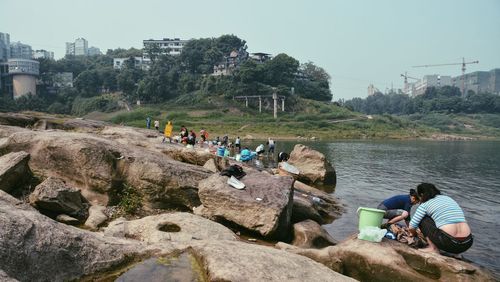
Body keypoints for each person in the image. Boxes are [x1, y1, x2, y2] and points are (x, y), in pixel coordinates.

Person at [409, 183, 473, 254]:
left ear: (421, 195)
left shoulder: (424, 205)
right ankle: (456, 253)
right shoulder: (448, 199)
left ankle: (433, 248)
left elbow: (412, 226)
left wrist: (414, 235)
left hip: (449, 242)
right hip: (467, 243)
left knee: (423, 219)